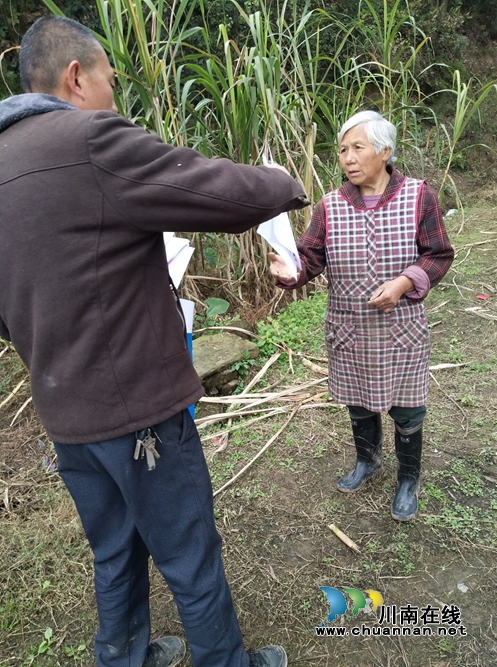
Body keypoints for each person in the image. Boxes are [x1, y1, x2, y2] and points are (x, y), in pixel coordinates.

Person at [0, 16, 309, 667]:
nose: (115, 92)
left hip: (66, 416)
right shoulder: (87, 137)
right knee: (187, 549)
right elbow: (208, 189)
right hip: (137, 411)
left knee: (113, 547)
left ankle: (125, 656)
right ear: (76, 77)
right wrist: (282, 181)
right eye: (110, 77)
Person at [270, 110, 454, 522]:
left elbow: (438, 254)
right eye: (342, 150)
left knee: (407, 408)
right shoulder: (330, 207)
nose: (348, 158)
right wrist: (290, 271)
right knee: (358, 403)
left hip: (401, 329)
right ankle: (367, 461)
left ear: (384, 151)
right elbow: (309, 258)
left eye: (358, 148)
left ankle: (408, 478)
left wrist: (405, 283)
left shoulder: (418, 195)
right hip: (349, 328)